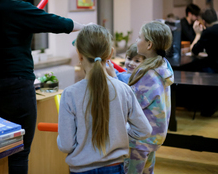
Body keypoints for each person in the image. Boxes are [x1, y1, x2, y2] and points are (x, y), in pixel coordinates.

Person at [0, 0, 85, 174]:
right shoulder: (14, 9)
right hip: (18, 88)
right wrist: (85, 25)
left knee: (3, 147)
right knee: (20, 152)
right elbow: (54, 22)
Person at [57, 24, 152, 174]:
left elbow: (66, 145)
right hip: (115, 168)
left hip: (80, 170)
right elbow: (144, 130)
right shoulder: (123, 89)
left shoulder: (69, 94)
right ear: (110, 54)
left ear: (79, 55)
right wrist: (120, 132)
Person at [124, 21, 174, 174]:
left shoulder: (148, 74)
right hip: (154, 136)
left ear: (149, 44)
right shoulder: (162, 65)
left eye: (139, 37)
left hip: (140, 139)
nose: (136, 40)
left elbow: (131, 105)